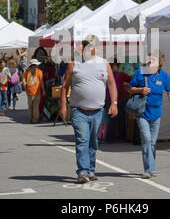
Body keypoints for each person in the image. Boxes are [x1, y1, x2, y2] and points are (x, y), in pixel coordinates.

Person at [59, 35, 118, 184]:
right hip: (79, 110)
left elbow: (111, 84)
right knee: (82, 140)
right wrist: (63, 106)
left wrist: (114, 103)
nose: (87, 48)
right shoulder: (74, 64)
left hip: (98, 111)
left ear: (96, 47)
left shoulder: (104, 64)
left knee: (93, 142)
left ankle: (91, 170)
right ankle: (83, 171)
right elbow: (64, 85)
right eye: (85, 44)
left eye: (90, 45)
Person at [128, 50, 170, 179]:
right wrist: (140, 89)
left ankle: (150, 166)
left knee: (152, 142)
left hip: (156, 114)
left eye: (153, 60)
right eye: (149, 59)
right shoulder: (140, 73)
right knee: (146, 139)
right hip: (142, 112)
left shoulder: (164, 76)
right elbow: (129, 88)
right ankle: (149, 169)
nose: (150, 62)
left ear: (159, 63)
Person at [106, 61, 132, 143]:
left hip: (110, 98)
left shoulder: (107, 75)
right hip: (121, 98)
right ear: (117, 66)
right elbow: (131, 80)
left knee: (111, 119)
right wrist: (125, 84)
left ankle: (110, 137)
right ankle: (122, 136)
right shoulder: (121, 74)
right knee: (121, 118)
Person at [23, 59, 45, 123]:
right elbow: (41, 82)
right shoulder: (39, 72)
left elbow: (24, 82)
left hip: (29, 92)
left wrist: (26, 89)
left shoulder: (26, 72)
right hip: (37, 92)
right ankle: (35, 119)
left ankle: (31, 118)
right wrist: (43, 90)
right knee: (36, 106)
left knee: (30, 107)